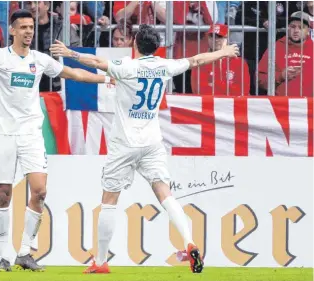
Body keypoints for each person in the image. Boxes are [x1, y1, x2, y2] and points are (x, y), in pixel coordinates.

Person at [0, 9, 112, 272]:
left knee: (40, 191)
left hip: (30, 135)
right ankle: (4, 256)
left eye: (31, 27)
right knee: (3, 195)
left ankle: (24, 252)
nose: (28, 31)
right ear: (12, 30)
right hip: (2, 134)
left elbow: (74, 74)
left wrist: (107, 78)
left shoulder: (40, 60)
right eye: (23, 27)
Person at [50, 24, 239, 274]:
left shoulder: (127, 67)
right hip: (152, 142)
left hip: (125, 143)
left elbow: (96, 62)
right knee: (165, 193)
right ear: (156, 46)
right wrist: (223, 53)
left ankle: (101, 261)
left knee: (109, 199)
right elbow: (196, 59)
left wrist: (69, 52)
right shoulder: (165, 66)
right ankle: (190, 242)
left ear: (135, 44)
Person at [258, 11, 313, 97]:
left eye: (301, 27)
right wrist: (281, 76)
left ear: (308, 31)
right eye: (293, 27)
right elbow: (259, 79)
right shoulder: (276, 47)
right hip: (282, 106)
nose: (296, 31)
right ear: (288, 28)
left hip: (309, 106)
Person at [191, 24, 250, 96]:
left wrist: (215, 87)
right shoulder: (201, 61)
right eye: (211, 36)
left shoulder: (239, 62)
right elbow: (199, 90)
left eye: (219, 36)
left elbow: (242, 91)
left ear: (227, 39)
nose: (215, 40)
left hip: (231, 105)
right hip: (208, 105)